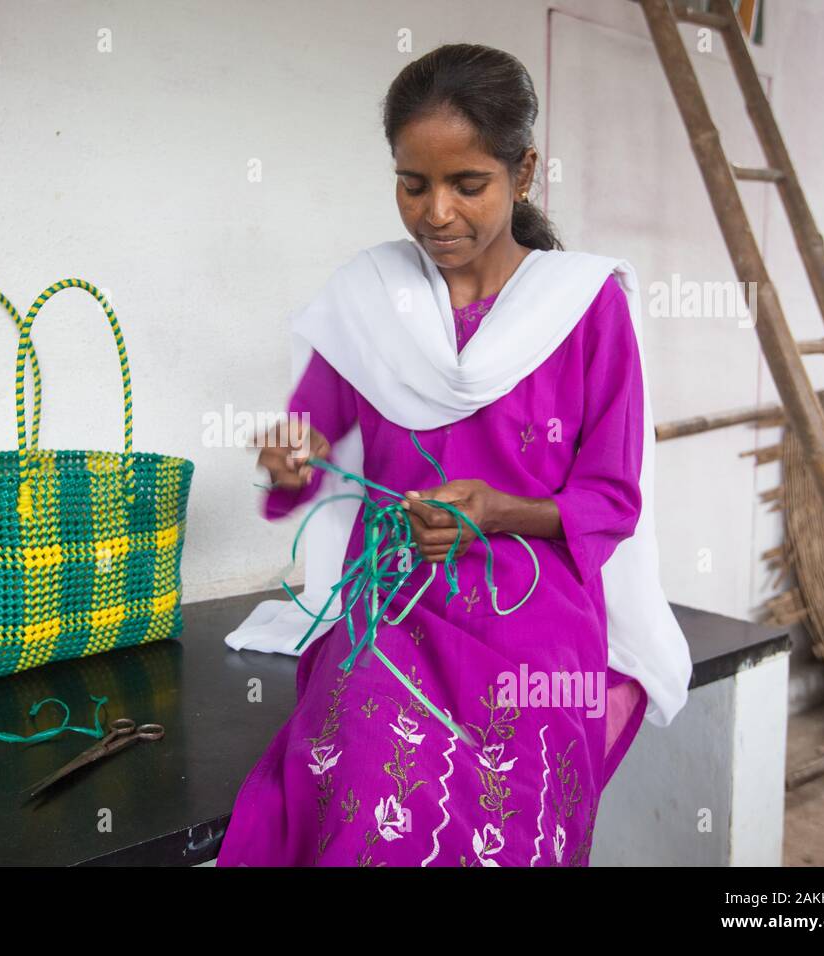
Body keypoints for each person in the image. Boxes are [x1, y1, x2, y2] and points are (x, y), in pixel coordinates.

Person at [215, 43, 690, 867]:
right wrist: (287, 459)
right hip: (390, 612)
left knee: (508, 811)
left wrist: (502, 513)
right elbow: (299, 461)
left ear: (523, 172)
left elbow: (612, 497)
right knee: (373, 800)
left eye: (467, 184)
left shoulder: (584, 307)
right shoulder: (369, 300)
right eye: (413, 183)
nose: (437, 212)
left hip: (532, 614)